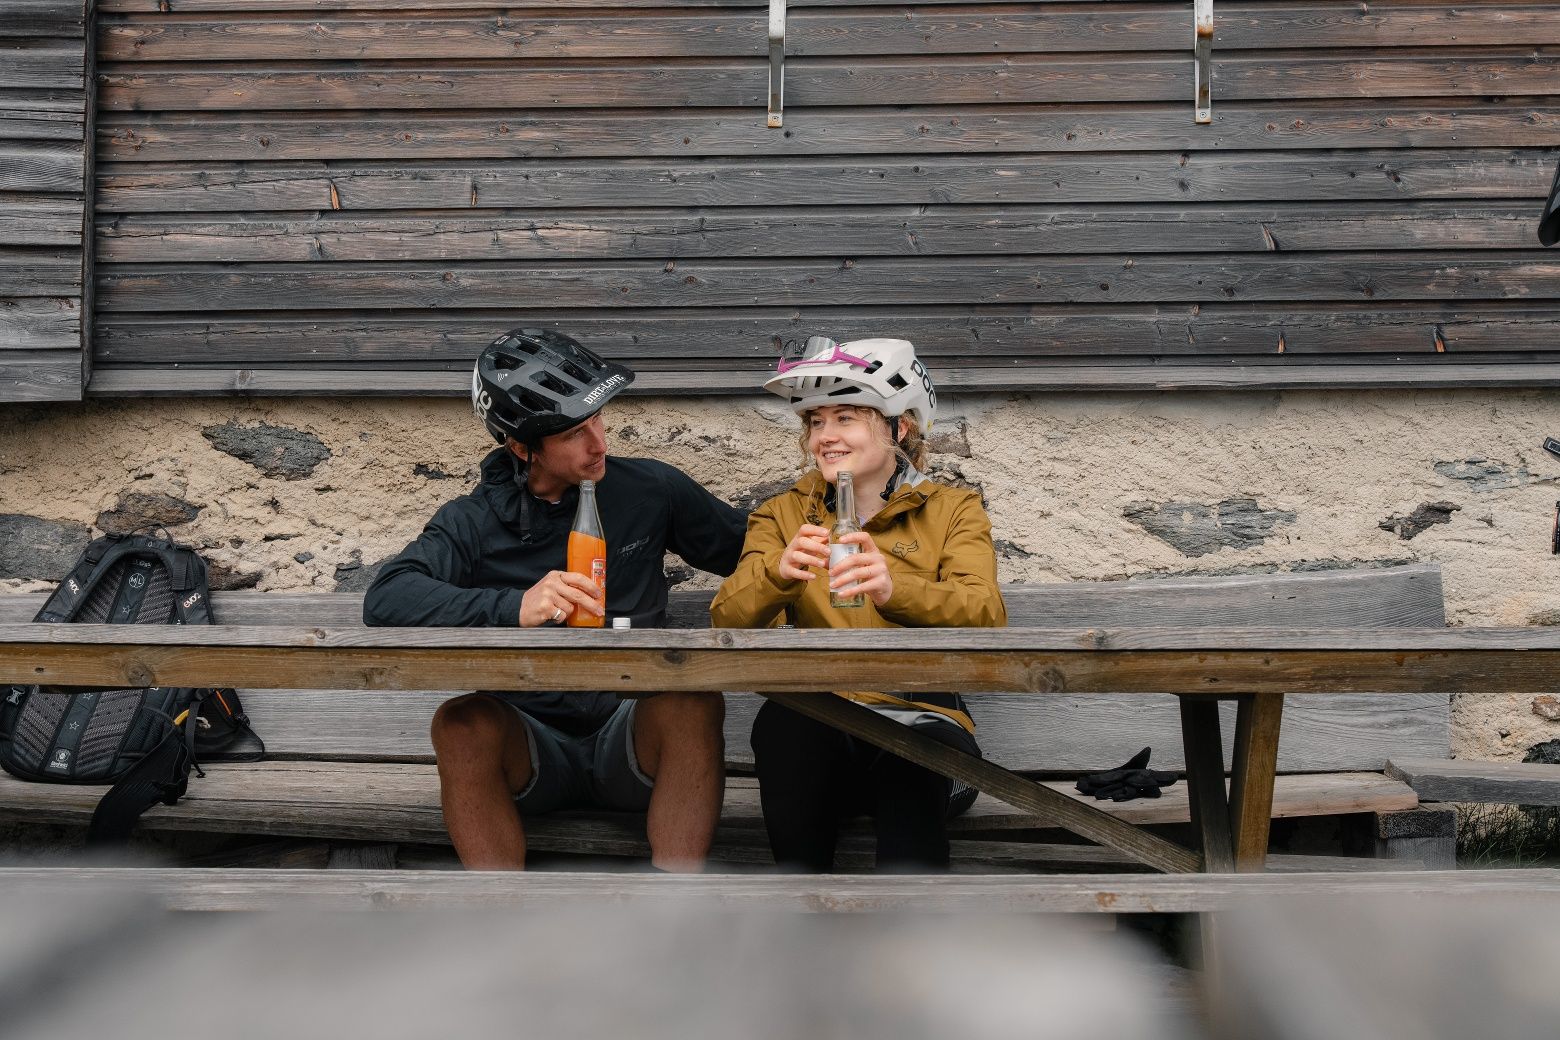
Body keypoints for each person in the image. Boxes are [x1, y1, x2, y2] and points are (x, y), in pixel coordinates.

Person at [364, 329, 746, 872]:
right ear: (521, 448)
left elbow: (748, 551)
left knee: (693, 700)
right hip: (531, 746)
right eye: (573, 432)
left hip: (632, 736)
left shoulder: (650, 489)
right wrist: (513, 608)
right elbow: (387, 598)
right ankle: (502, 920)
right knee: (461, 722)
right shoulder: (473, 520)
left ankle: (675, 914)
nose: (599, 443)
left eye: (598, 419)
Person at [710, 336, 1006, 872]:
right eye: (816, 422)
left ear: (901, 426)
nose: (825, 436)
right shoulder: (783, 513)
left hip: (923, 721)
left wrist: (896, 589)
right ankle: (803, 919)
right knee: (785, 725)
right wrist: (776, 576)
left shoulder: (952, 508)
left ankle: (908, 935)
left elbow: (984, 609)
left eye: (845, 418)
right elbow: (725, 619)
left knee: (907, 751)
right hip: (818, 728)